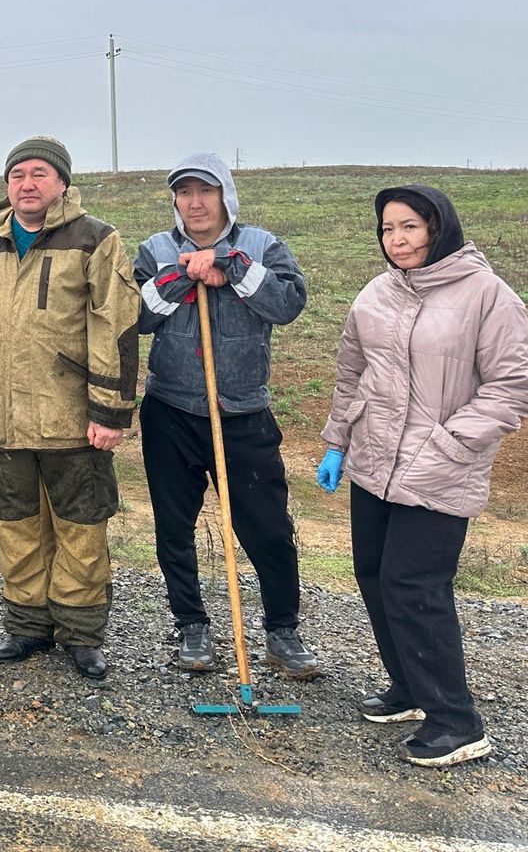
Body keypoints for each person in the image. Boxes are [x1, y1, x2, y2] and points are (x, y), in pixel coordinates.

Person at [318, 184, 528, 768]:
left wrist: (450, 442)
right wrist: (337, 442)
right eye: (388, 229)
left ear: (438, 228)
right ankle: (410, 687)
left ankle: (456, 722)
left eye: (410, 226)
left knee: (414, 587)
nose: (397, 239)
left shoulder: (487, 295)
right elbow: (351, 374)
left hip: (441, 470)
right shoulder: (376, 294)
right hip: (373, 463)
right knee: (374, 575)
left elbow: (515, 385)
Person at [0, 137, 139, 680]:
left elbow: (116, 325)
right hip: (2, 418)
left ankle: (80, 634)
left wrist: (109, 411)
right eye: (18, 175)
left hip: (72, 419)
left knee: (81, 529)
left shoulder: (95, 239)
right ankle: (27, 625)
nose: (27, 184)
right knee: (16, 526)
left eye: (39, 174)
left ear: (62, 182)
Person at [133, 154, 317, 678]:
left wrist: (231, 266)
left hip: (243, 412)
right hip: (171, 410)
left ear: (225, 196)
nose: (195, 202)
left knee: (269, 529)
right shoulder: (155, 250)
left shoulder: (263, 245)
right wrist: (183, 274)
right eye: (184, 192)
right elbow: (136, 316)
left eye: (205, 191)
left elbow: (287, 303)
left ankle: (282, 631)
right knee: (174, 527)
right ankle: (192, 626)